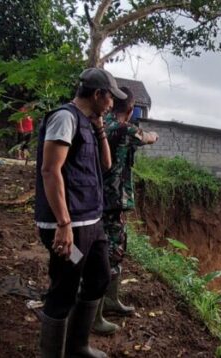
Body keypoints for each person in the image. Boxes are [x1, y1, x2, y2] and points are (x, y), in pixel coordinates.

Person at [35, 67, 127, 358]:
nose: (113, 103)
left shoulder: (88, 124)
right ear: (98, 94)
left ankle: (78, 347)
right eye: (110, 97)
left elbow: (106, 165)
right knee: (65, 287)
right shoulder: (65, 118)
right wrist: (63, 224)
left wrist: (100, 129)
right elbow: (50, 170)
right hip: (68, 228)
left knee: (99, 276)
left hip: (92, 224)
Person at [92, 86, 158, 335]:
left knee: (113, 249)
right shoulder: (123, 129)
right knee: (110, 252)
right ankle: (96, 316)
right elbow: (148, 137)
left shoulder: (101, 122)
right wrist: (153, 134)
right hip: (112, 201)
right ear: (130, 110)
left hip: (96, 198)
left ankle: (110, 300)